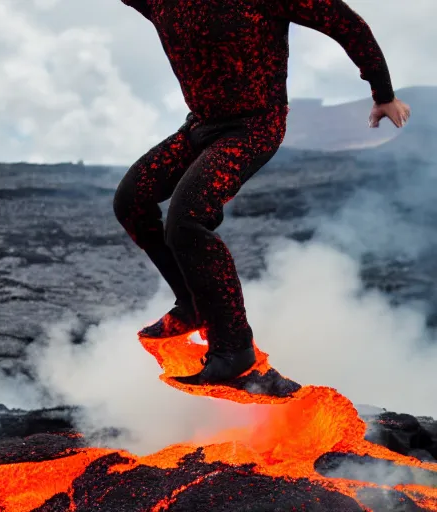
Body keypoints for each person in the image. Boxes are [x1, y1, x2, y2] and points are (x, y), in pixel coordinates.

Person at [113, 0, 411, 385]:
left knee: (187, 220)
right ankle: (191, 303)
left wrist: (383, 93)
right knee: (131, 201)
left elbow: (346, 23)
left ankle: (234, 348)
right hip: (201, 126)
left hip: (254, 125)